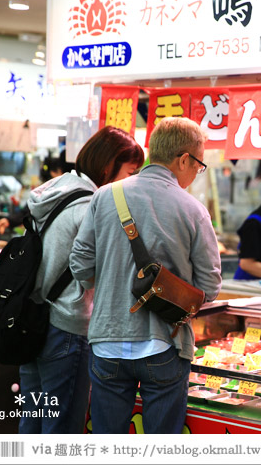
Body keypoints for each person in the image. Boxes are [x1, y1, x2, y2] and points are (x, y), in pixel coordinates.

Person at [69, 117, 221, 434]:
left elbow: (80, 263)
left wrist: (112, 285)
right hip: (165, 344)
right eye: (199, 165)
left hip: (106, 343)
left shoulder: (104, 196)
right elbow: (209, 286)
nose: (197, 172)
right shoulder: (193, 210)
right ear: (183, 159)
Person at [19, 126, 145, 434]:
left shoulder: (54, 190)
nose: (134, 181)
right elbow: (93, 272)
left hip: (30, 321)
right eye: (131, 171)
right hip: (68, 328)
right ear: (108, 166)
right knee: (61, 429)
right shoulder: (93, 205)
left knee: (32, 422)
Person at [0, 151, 74, 236]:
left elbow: (29, 209)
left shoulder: (53, 192)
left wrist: (10, 221)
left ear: (56, 171)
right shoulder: (75, 191)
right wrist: (9, 221)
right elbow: (29, 210)